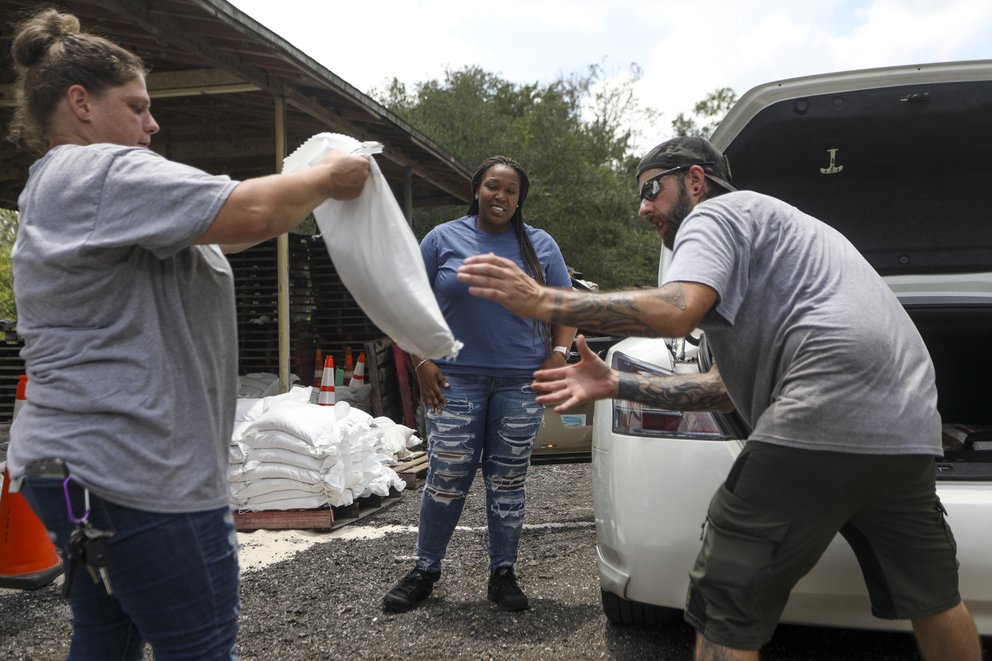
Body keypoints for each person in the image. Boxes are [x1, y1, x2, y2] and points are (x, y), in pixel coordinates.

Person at [455, 136, 981, 659]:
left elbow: (679, 306)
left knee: (722, 603)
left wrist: (543, 298)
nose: (643, 208)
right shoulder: (778, 248)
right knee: (933, 596)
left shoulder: (715, 215)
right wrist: (618, 385)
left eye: (652, 189)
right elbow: (723, 392)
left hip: (823, 402)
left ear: (696, 180)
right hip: (907, 429)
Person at [5, 8, 369, 660]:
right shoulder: (99, 172)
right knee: (198, 646)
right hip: (138, 470)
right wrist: (330, 179)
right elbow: (254, 210)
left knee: (106, 632)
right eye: (137, 106)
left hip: (72, 464)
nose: (153, 122)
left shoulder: (59, 187)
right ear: (80, 103)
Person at [382, 156, 576, 613]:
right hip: (454, 380)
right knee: (447, 479)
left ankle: (502, 572)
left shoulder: (539, 244)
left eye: (511, 191)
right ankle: (425, 569)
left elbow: (565, 305)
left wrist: (558, 353)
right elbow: (407, 304)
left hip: (521, 384)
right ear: (476, 190)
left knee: (508, 480)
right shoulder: (442, 239)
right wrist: (422, 360)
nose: (501, 197)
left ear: (519, 199)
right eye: (493, 186)